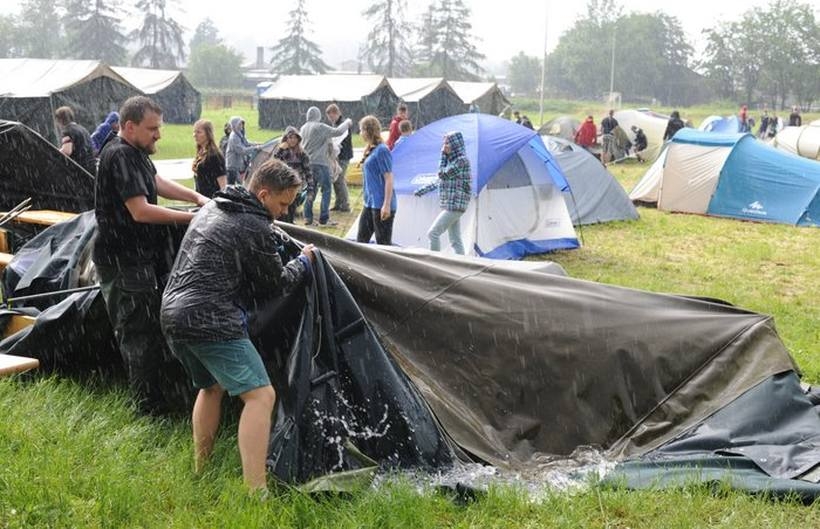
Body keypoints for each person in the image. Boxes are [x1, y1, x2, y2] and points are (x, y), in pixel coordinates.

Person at [161, 158, 315, 493]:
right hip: (209, 318)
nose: (285, 212)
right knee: (261, 396)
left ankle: (202, 470)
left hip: (173, 314)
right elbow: (274, 284)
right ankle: (255, 492)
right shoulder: (253, 225)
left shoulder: (215, 206)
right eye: (282, 203)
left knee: (211, 388)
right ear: (263, 194)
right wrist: (304, 261)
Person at [93, 95, 209, 415]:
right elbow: (141, 211)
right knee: (138, 334)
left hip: (139, 258)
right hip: (123, 261)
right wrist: (193, 218)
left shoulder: (136, 152)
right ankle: (147, 409)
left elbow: (155, 181)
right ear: (129, 127)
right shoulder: (119, 155)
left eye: (159, 127)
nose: (158, 134)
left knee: (149, 327)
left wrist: (197, 198)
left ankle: (157, 397)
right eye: (152, 128)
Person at [414, 131, 471, 255]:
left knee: (433, 234)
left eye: (447, 143)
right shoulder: (452, 161)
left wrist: (443, 155)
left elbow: (442, 174)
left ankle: (435, 263)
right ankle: (462, 265)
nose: (444, 146)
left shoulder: (461, 161)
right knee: (455, 240)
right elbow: (439, 180)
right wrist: (421, 191)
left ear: (455, 144)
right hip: (451, 205)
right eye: (444, 143)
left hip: (455, 205)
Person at [299, 106, 351, 226]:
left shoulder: (303, 128)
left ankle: (308, 217)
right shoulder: (319, 126)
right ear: (318, 116)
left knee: (310, 190)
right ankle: (324, 218)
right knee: (326, 190)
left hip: (308, 164)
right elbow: (338, 131)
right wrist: (347, 122)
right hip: (320, 163)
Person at [357, 115, 395, 245]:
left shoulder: (382, 150)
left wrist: (387, 204)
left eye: (361, 130)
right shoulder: (371, 149)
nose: (360, 133)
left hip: (381, 204)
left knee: (383, 244)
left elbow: (389, 177)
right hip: (369, 203)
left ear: (368, 131)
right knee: (361, 241)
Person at [272, 126, 314, 223]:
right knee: (280, 214)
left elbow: (308, 173)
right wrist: (280, 150)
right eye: (290, 137)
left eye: (295, 137)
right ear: (286, 138)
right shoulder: (282, 152)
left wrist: (310, 190)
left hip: (295, 188)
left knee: (290, 211)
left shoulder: (302, 154)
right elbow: (274, 165)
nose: (292, 140)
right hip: (282, 186)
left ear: (298, 139)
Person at [325, 104, 353, 213]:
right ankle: (338, 203)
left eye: (331, 116)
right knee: (335, 179)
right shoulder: (337, 123)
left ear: (336, 113)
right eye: (329, 117)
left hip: (343, 156)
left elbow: (339, 139)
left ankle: (345, 204)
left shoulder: (344, 124)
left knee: (340, 179)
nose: (330, 119)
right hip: (337, 156)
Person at [54, 106, 96, 174]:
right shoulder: (83, 129)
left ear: (60, 120)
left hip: (80, 170)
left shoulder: (67, 131)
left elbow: (66, 151)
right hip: (91, 168)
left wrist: (54, 153)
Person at [192, 119, 227, 199]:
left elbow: (223, 184)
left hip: (212, 200)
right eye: (194, 132)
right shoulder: (201, 153)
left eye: (199, 132)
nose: (194, 135)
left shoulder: (215, 155)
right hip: (202, 200)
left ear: (208, 134)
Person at [225, 116, 257, 186]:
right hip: (232, 166)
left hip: (237, 165)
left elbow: (246, 143)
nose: (241, 126)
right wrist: (255, 148)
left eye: (242, 124)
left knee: (240, 185)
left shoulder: (239, 134)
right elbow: (242, 150)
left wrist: (257, 144)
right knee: (231, 186)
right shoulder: (234, 137)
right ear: (234, 125)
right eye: (239, 124)